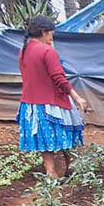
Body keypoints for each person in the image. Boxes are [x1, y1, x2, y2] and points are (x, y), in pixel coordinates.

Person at [18, 16, 89, 178]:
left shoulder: (23, 51)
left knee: (45, 140)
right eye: (51, 34)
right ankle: (70, 167)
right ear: (44, 32)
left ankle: (50, 171)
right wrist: (77, 97)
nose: (52, 37)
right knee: (66, 135)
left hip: (31, 104)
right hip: (52, 103)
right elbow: (59, 78)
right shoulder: (47, 51)